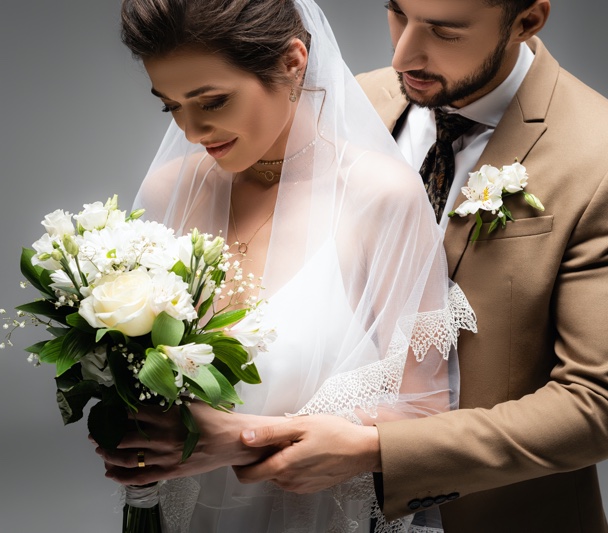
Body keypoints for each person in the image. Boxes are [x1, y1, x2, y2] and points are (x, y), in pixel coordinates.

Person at [234, 0, 608, 531]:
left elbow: (598, 408)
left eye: (444, 32)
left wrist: (378, 450)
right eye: (397, 13)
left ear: (527, 21)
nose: (402, 55)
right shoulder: (350, 103)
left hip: (494, 515)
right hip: (317, 509)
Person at [93, 0, 476, 531]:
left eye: (213, 101)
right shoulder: (170, 190)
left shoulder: (378, 196)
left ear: (294, 60)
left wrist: (242, 440)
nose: (191, 130)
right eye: (171, 106)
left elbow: (426, 411)